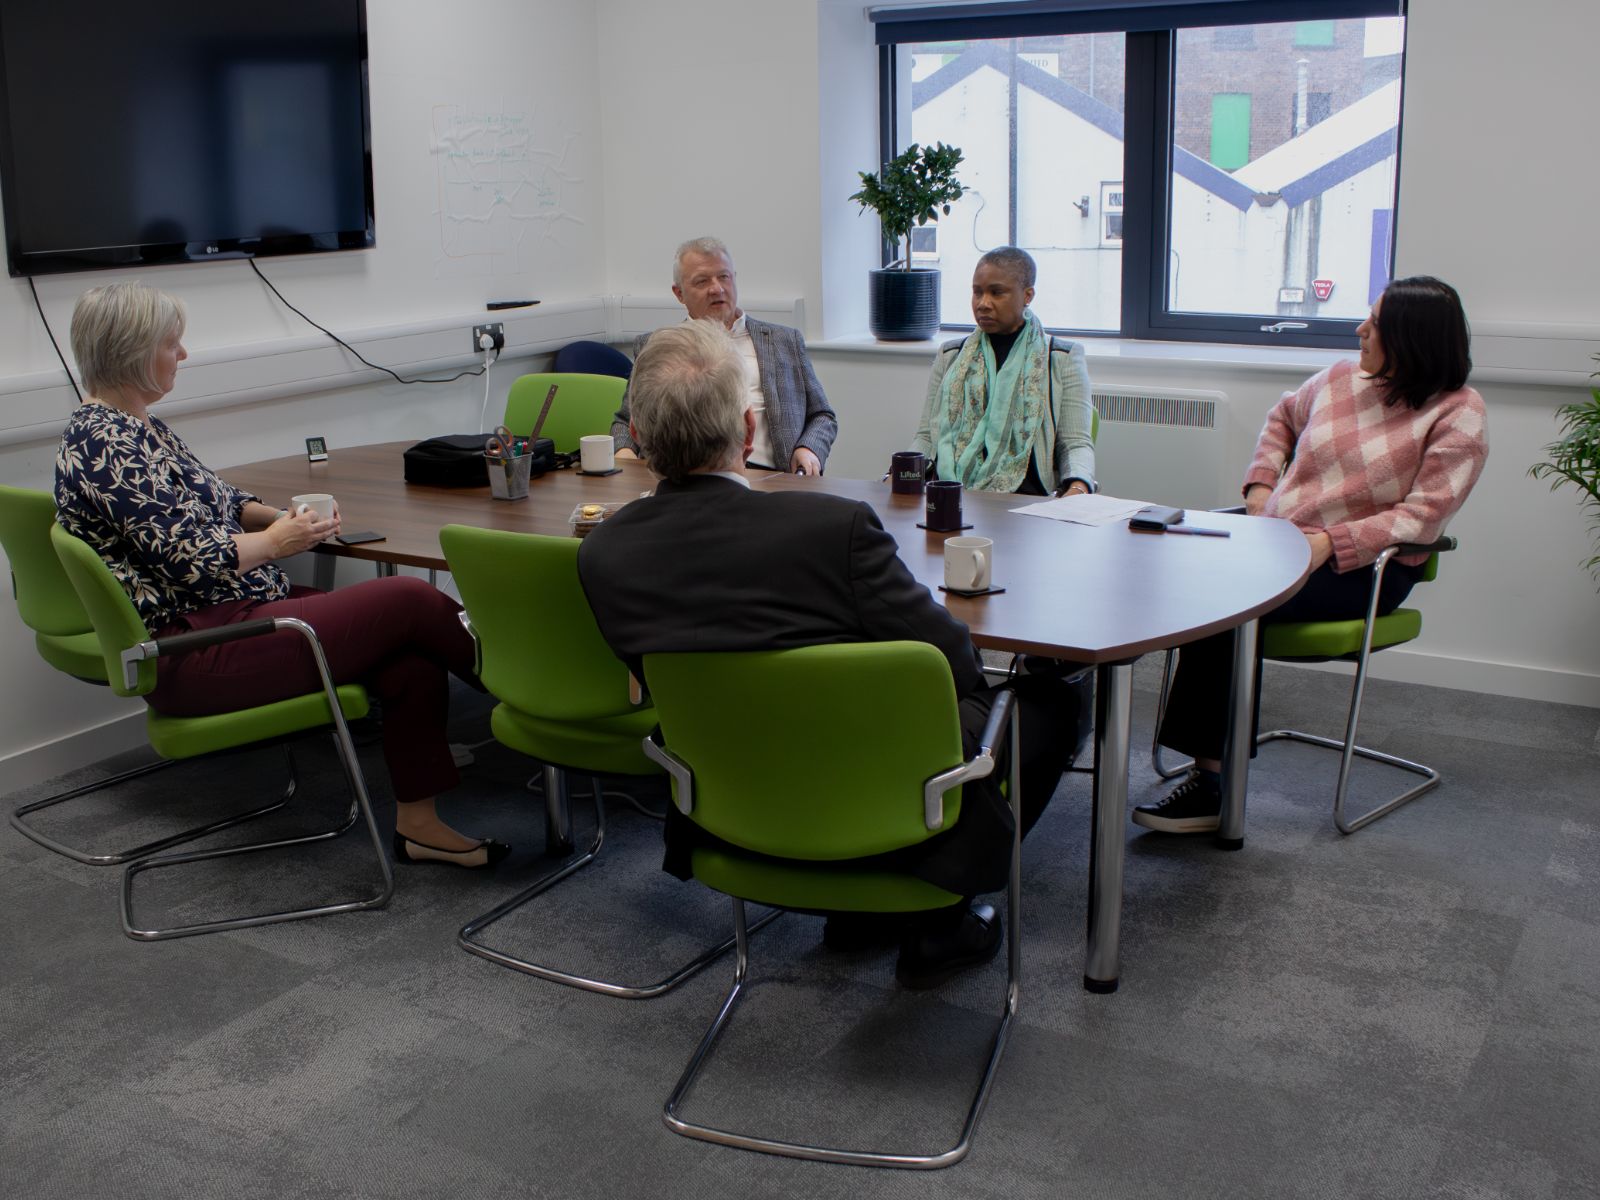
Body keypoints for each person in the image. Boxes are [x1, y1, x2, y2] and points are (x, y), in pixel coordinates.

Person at [578, 318, 1079, 989]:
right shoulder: (830, 526)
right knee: (1051, 702)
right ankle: (939, 914)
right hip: (875, 781)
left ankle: (857, 905)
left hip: (732, 800)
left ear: (636, 439)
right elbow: (955, 665)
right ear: (750, 433)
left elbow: (656, 675)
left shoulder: (604, 554)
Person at [53, 282, 508, 869]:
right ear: (133, 351)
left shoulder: (139, 428)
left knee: (410, 653)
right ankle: (532, 690)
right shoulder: (103, 444)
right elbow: (194, 559)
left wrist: (290, 519)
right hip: (198, 649)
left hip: (236, 623)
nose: (183, 356)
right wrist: (276, 542)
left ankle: (419, 825)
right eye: (172, 344)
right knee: (409, 600)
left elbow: (224, 499)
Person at [1137, 275, 1489, 833]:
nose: (1359, 330)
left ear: (1412, 338)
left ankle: (1212, 784)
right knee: (1168, 566)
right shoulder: (1344, 378)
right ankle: (1200, 755)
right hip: (1276, 542)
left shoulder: (1457, 413)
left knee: (1222, 604)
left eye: (1375, 324)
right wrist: (1257, 489)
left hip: (1365, 567)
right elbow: (1281, 419)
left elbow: (1424, 516)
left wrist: (1333, 541)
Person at [611, 236, 837, 475]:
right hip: (683, 479)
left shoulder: (784, 341)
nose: (717, 288)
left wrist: (808, 448)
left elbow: (822, 415)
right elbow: (626, 421)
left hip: (772, 476)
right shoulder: (657, 347)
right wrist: (624, 454)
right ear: (679, 293)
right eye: (702, 281)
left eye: (724, 277)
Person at [911, 246, 1095, 496]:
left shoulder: (1061, 357)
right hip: (952, 495)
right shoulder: (951, 355)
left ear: (1027, 295)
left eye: (996, 293)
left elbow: (1075, 443)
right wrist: (898, 476)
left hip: (1029, 503)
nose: (983, 304)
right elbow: (927, 435)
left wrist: (1078, 486)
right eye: (977, 292)